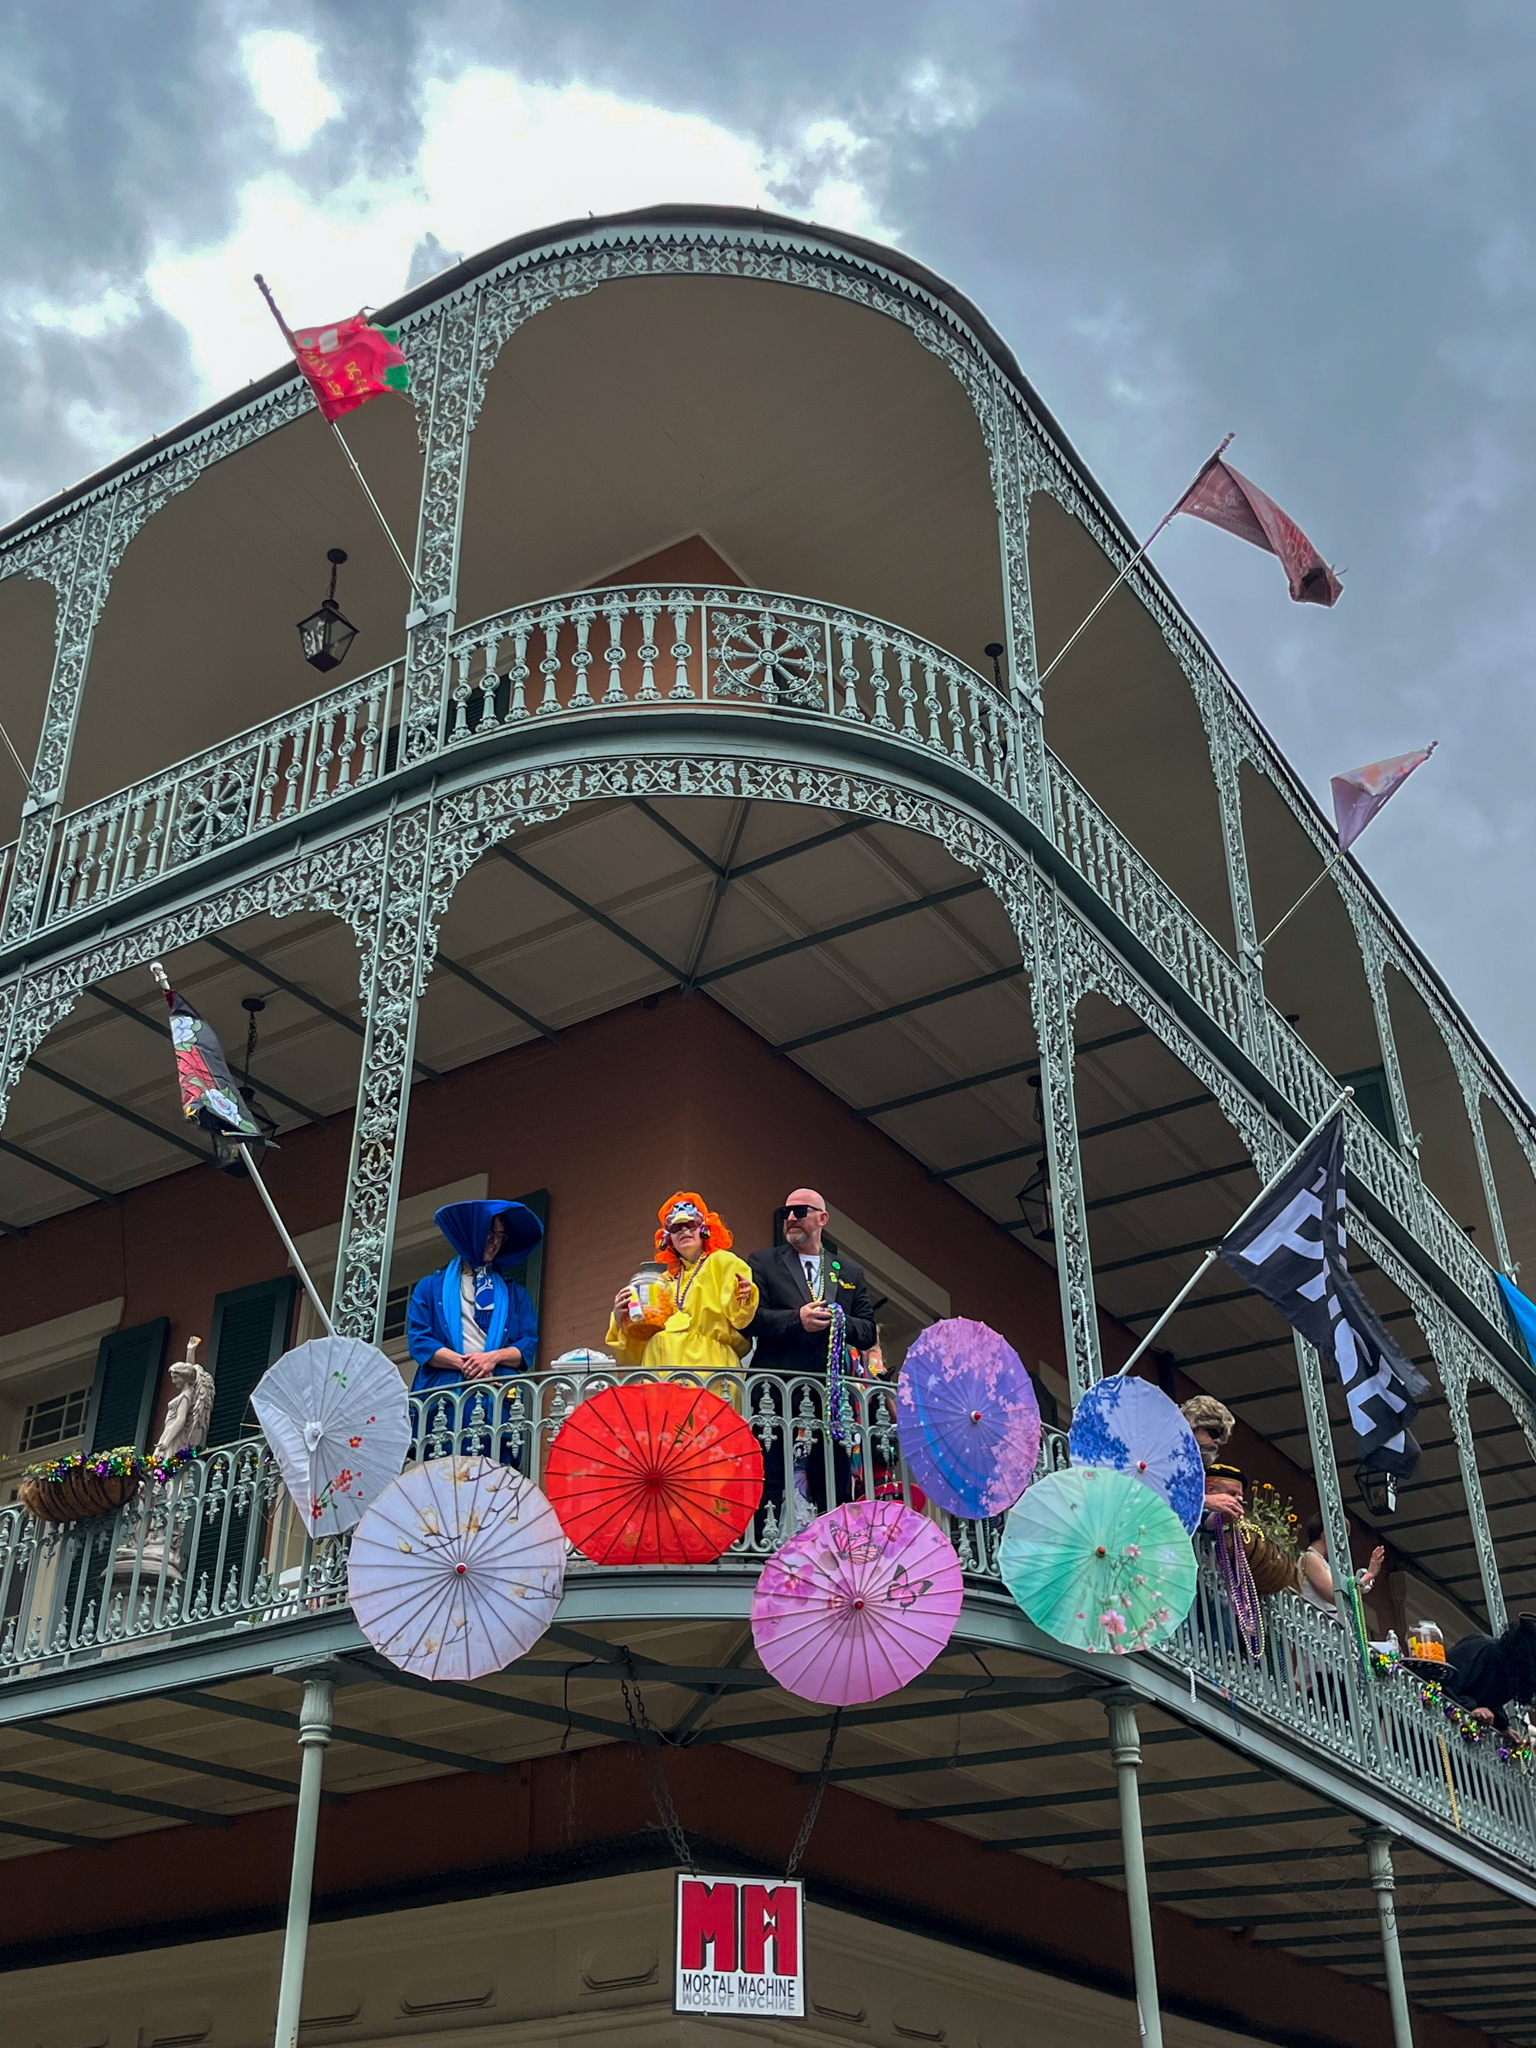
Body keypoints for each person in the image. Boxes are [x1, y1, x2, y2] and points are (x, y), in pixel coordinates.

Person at [747, 1188, 881, 1518]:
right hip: (776, 1389)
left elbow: (867, 1331)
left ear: (823, 1219)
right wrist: (798, 1319)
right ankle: (761, 1544)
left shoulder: (848, 1271)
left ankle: (834, 1544)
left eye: (800, 1211)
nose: (791, 1218)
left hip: (829, 1393)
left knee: (833, 1480)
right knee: (768, 1475)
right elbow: (751, 1320)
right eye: (786, 1212)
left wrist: (838, 1320)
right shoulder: (763, 1262)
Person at [607, 1192, 758, 1378]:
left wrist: (743, 1297)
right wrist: (621, 1319)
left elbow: (740, 1318)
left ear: (704, 1229)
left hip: (710, 1367)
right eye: (676, 1228)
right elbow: (635, 1349)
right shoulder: (660, 1282)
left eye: (691, 1225)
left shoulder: (723, 1262)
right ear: (668, 1238)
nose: (684, 1231)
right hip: (661, 1368)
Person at [407, 1199, 543, 1398]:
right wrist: (472, 1366)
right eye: (489, 1233)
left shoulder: (516, 1295)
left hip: (496, 1396)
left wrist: (493, 1358)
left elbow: (527, 1345)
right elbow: (420, 1341)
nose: (495, 1241)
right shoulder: (429, 1288)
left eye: (500, 1235)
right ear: (471, 1233)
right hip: (444, 1399)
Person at [1200, 1463, 1298, 1596]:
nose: (1240, 1498)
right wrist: (1221, 1517)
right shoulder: (1195, 1511)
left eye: (1240, 1495)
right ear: (1211, 1490)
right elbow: (1207, 1522)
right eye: (1232, 1493)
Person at [1442, 1614, 1536, 1732]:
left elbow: (1490, 1704)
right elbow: (1443, 1684)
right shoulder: (1483, 1646)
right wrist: (1471, 1709)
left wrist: (1502, 1727)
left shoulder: (1512, 1675)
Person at [1297, 1514, 1385, 1615]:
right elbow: (1335, 1595)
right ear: (1326, 1535)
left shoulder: (1322, 1561)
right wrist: (1368, 1575)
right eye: (1341, 1538)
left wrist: (1367, 1577)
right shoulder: (1310, 1558)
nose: (1342, 1546)